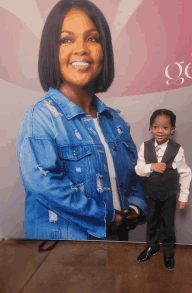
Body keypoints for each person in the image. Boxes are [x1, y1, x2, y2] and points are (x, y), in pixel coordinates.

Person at [16, 0, 147, 241]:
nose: (81, 49)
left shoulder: (115, 121)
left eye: (92, 38)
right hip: (64, 260)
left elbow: (134, 176)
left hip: (116, 252)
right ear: (51, 50)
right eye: (67, 39)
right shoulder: (41, 118)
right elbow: (46, 185)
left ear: (104, 49)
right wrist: (107, 217)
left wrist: (135, 208)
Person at [135, 109, 192, 269]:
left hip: (169, 194)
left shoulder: (177, 149)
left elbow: (185, 173)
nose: (160, 131)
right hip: (151, 193)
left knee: (167, 224)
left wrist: (183, 196)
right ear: (150, 128)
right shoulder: (145, 146)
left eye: (165, 127)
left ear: (172, 129)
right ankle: (151, 247)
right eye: (156, 127)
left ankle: (168, 250)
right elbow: (138, 169)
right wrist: (152, 166)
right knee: (152, 222)